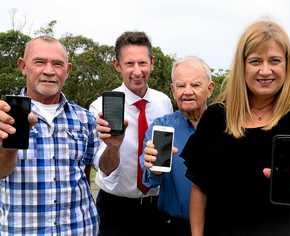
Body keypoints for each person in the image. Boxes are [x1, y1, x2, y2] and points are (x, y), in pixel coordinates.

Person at [182, 20, 290, 236]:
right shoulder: (215, 117)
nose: (265, 71)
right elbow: (199, 188)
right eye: (255, 61)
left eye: (274, 61)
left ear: (286, 65)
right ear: (242, 65)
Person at [0, 36, 102, 235]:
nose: (49, 71)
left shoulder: (85, 118)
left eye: (57, 64)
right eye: (39, 62)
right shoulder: (5, 115)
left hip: (81, 229)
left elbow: (91, 171)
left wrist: (115, 145)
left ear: (68, 70)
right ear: (23, 66)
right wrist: (8, 147)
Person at [89, 31, 173, 235]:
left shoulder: (164, 102)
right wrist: (113, 146)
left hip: (156, 207)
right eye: (129, 64)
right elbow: (105, 169)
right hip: (114, 209)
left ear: (152, 62)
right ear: (117, 65)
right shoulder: (100, 107)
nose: (137, 71)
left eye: (142, 63)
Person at [142, 56, 214, 235]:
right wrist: (154, 167)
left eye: (195, 85)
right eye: (181, 86)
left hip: (219, 226)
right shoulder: (163, 127)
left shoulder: (227, 126)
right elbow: (150, 180)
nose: (187, 91)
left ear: (210, 89)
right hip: (171, 226)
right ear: (173, 90)